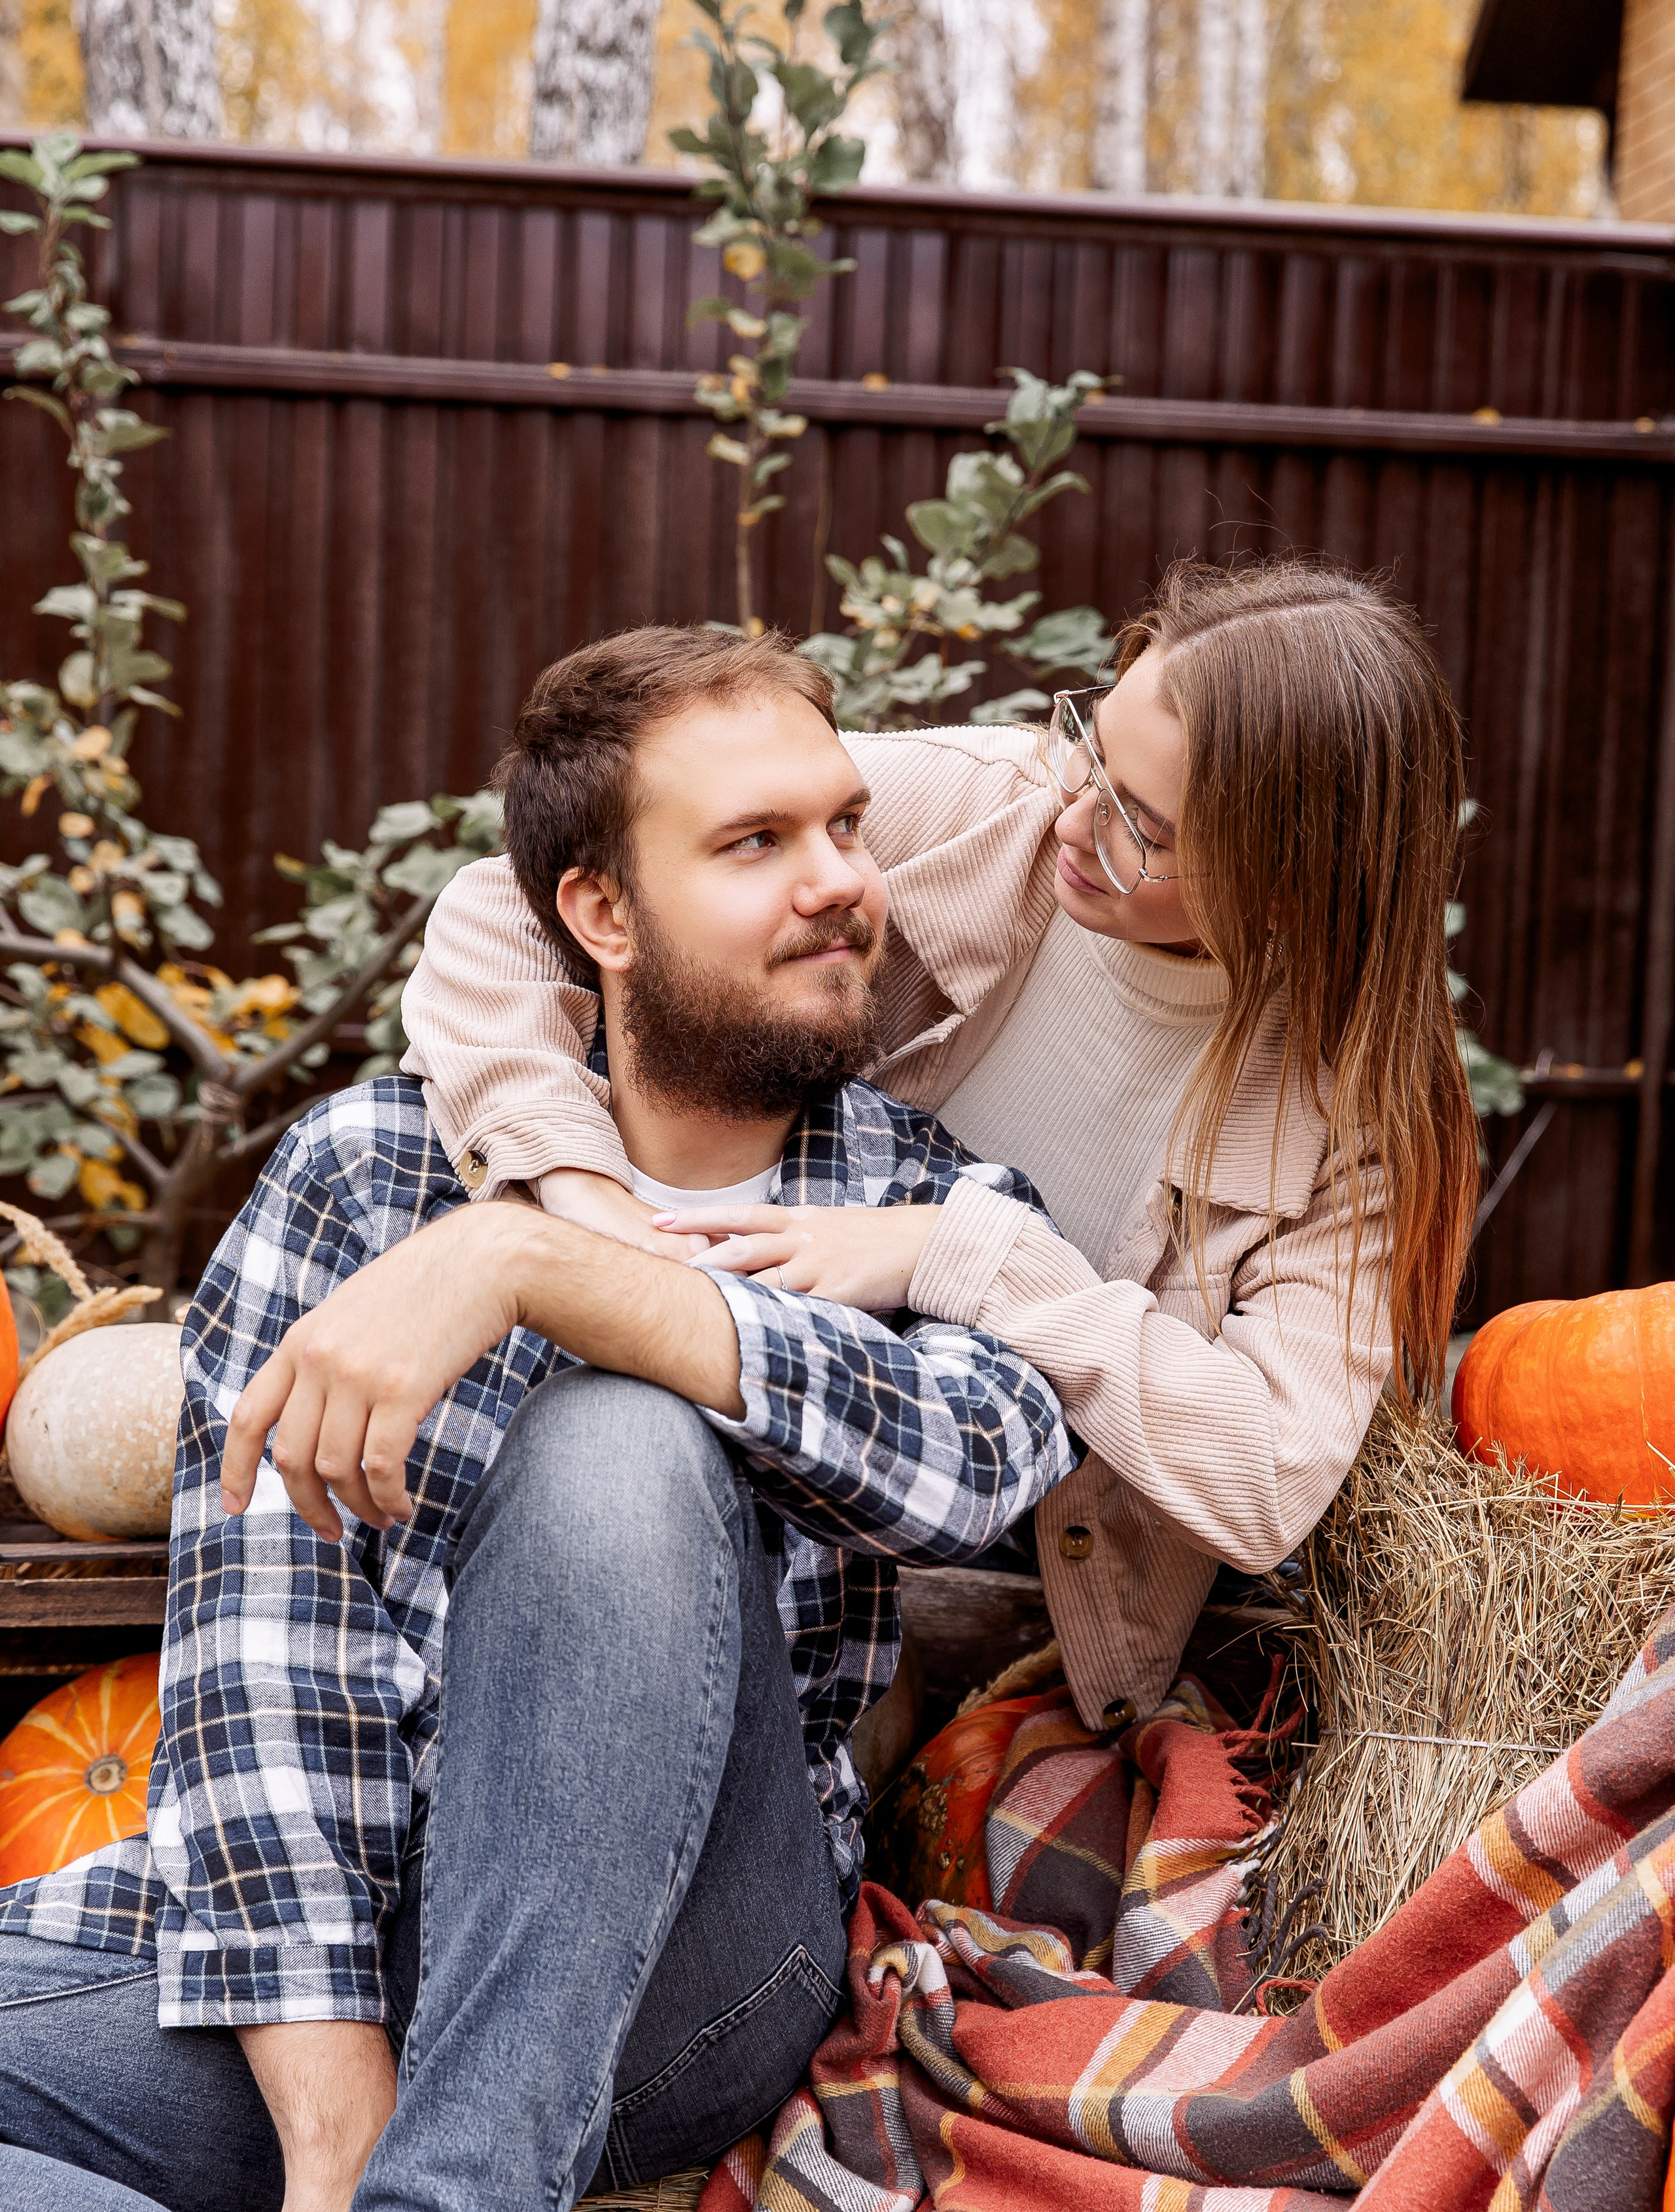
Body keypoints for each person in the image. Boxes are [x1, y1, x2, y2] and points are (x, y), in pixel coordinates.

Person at [0, 628, 1075, 2212]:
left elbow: (982, 1467)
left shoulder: (934, 1203)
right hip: (349, 1943)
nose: (840, 879)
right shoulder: (362, 1179)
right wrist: (327, 2126)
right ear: (600, 911)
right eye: (753, 843)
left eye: (843, 824)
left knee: (619, 1434)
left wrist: (576, 1279)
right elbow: (269, 1663)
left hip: (689, 1968)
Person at [398, 556, 1481, 1733]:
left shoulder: (1356, 1111)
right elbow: (509, 902)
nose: (1072, 821)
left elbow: (1268, 1478)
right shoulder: (986, 808)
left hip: (1012, 1578)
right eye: (1090, 750)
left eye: (1142, 827)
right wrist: (580, 1202)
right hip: (752, 1476)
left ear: (1294, 884)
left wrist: (964, 1253)